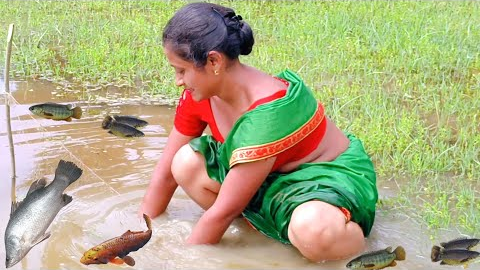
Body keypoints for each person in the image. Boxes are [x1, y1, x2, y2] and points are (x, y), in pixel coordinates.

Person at [140, 2, 378, 262]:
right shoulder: (199, 96)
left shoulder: (267, 113)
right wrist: (139, 235)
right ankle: (268, 234)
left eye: (181, 70)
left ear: (213, 61)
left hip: (322, 182)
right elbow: (164, 176)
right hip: (264, 181)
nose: (177, 80)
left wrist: (183, 260)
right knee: (185, 163)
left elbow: (223, 213)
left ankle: (356, 244)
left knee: (314, 230)